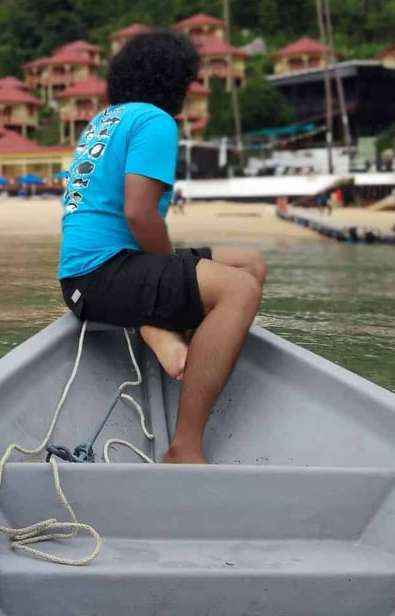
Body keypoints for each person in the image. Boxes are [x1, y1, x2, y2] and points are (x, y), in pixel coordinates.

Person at [58, 30, 266, 464]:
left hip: (87, 276)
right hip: (102, 274)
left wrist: (171, 277)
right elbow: (139, 211)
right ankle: (184, 446)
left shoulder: (105, 120)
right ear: (175, 82)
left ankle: (178, 344)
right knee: (240, 290)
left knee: (249, 264)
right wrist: (170, 276)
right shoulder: (155, 121)